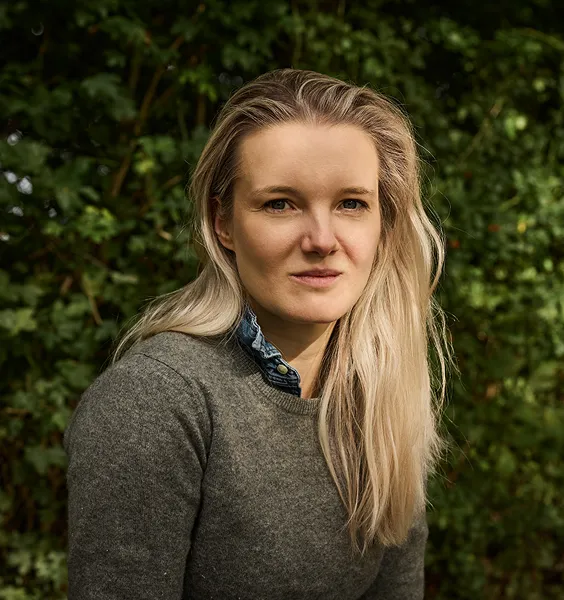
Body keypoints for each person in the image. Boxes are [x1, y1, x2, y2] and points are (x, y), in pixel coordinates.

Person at [63, 68, 454, 599]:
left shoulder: (383, 395)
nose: (322, 240)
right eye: (280, 204)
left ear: (383, 224)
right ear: (222, 222)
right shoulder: (156, 401)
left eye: (351, 203)